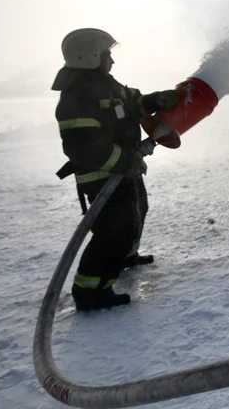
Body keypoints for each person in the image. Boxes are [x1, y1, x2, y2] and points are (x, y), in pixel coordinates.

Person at [52, 28, 181, 312]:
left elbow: (133, 102)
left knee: (137, 210)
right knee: (113, 232)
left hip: (124, 169)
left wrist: (157, 100)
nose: (112, 61)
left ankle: (125, 256)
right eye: (108, 55)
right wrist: (125, 162)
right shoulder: (78, 97)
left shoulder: (105, 85)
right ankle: (90, 292)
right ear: (90, 56)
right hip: (102, 175)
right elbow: (85, 148)